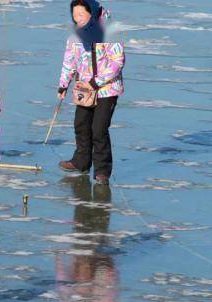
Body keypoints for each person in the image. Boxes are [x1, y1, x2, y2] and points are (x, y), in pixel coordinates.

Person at [57, 0, 125, 185]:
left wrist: (95, 83)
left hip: (106, 89)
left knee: (99, 129)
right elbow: (69, 61)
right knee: (81, 124)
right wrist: (63, 84)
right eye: (75, 15)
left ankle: (102, 170)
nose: (77, 19)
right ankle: (81, 162)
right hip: (84, 88)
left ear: (92, 13)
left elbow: (117, 62)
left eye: (81, 14)